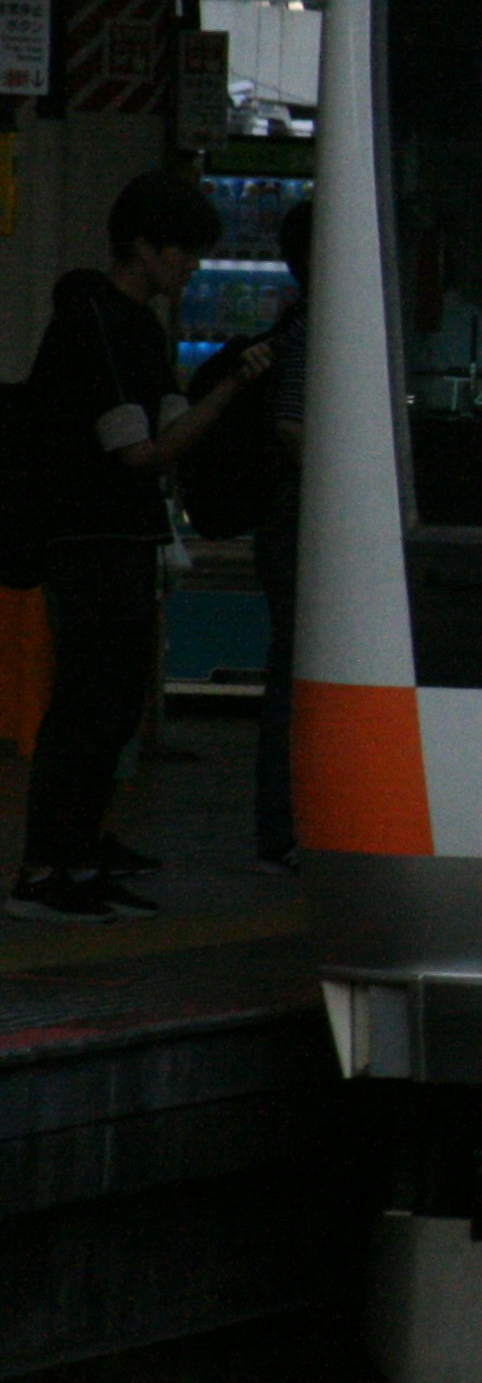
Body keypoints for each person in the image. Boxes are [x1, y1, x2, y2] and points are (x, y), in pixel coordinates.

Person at [8, 173, 270, 924]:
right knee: (89, 704)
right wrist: (228, 394)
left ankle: (80, 854)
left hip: (118, 539)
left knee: (111, 702)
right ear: (145, 247)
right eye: (182, 251)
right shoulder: (100, 322)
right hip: (91, 540)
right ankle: (45, 868)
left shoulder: (132, 325)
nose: (191, 266)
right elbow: (144, 453)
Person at [251, 199, 312, 877]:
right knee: (295, 677)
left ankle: (284, 822)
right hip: (300, 520)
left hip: (287, 519)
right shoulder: (318, 329)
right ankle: (281, 825)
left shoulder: (296, 324)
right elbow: (291, 424)